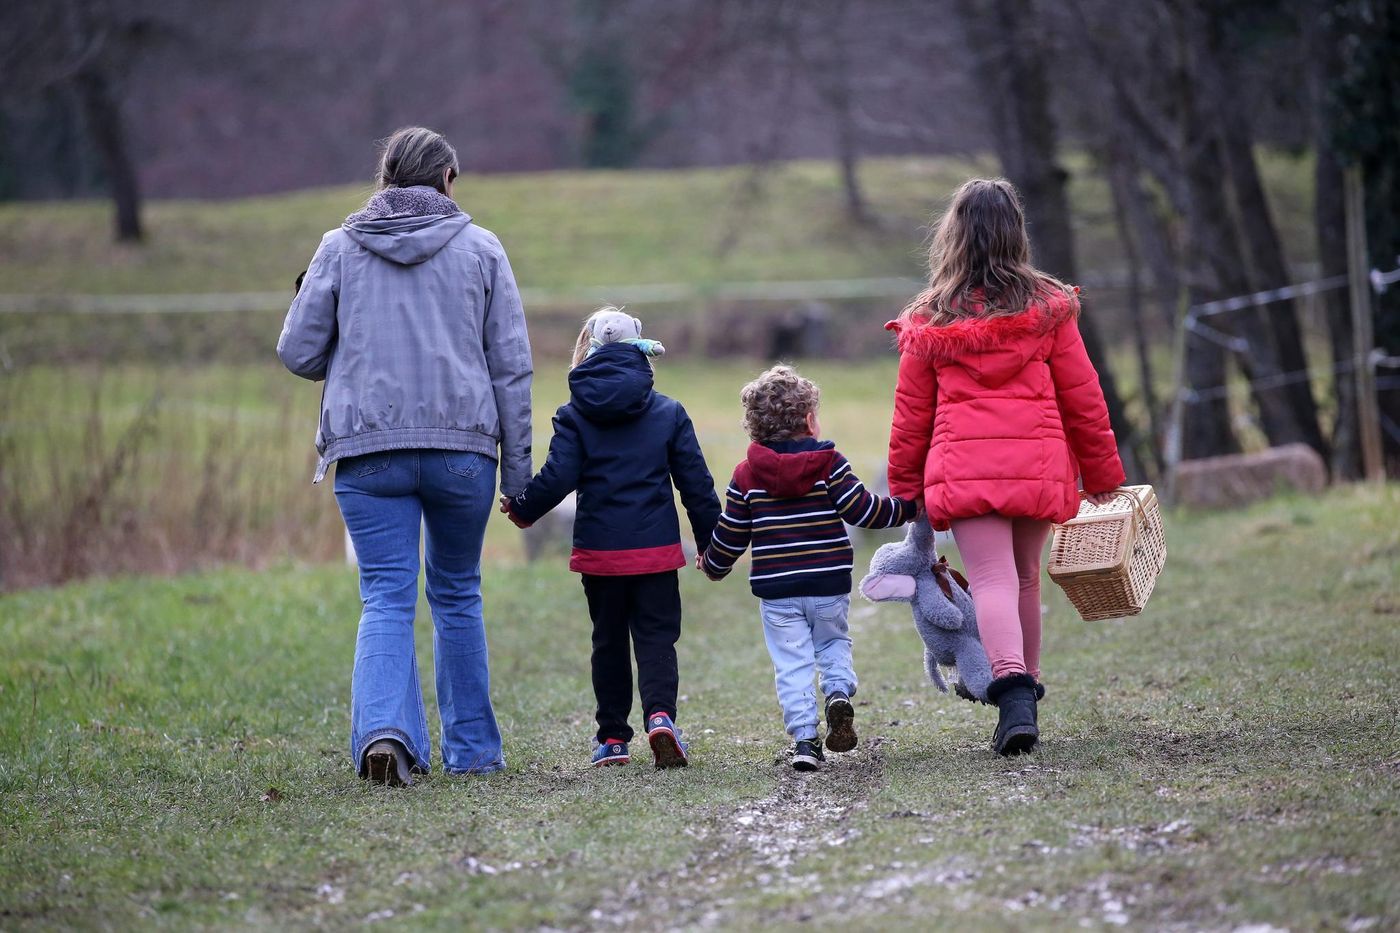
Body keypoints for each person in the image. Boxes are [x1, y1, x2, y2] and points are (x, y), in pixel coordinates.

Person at [277, 127, 533, 784]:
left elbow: (299, 352)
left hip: (369, 452)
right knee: (457, 592)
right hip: (463, 453)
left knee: (386, 596)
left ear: (386, 178)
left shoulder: (338, 248)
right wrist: (520, 475)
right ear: (447, 179)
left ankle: (385, 734)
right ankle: (473, 753)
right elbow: (511, 368)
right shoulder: (483, 249)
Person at [885, 178, 1125, 756]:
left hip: (965, 469)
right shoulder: (1048, 308)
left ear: (953, 237)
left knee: (991, 579)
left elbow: (911, 414)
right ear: (1015, 233)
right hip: (1038, 467)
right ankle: (1026, 694)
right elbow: (1083, 397)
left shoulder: (931, 318)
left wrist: (905, 489)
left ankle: (1013, 689)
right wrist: (1102, 474)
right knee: (1022, 577)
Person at [500, 308, 719, 769]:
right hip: (656, 553)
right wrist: (712, 545)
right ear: (641, 353)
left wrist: (522, 508)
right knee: (656, 637)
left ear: (587, 350)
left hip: (601, 554)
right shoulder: (668, 412)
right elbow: (696, 484)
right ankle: (660, 717)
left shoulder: (574, 414)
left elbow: (558, 476)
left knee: (609, 641)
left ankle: (614, 739)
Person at [698, 365, 918, 771]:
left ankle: (805, 741)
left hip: (777, 593)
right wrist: (908, 508)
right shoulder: (829, 463)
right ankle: (837, 693)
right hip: (828, 583)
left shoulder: (746, 475)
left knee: (792, 663)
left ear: (754, 427)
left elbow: (731, 534)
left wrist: (712, 564)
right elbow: (863, 511)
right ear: (810, 420)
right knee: (833, 642)